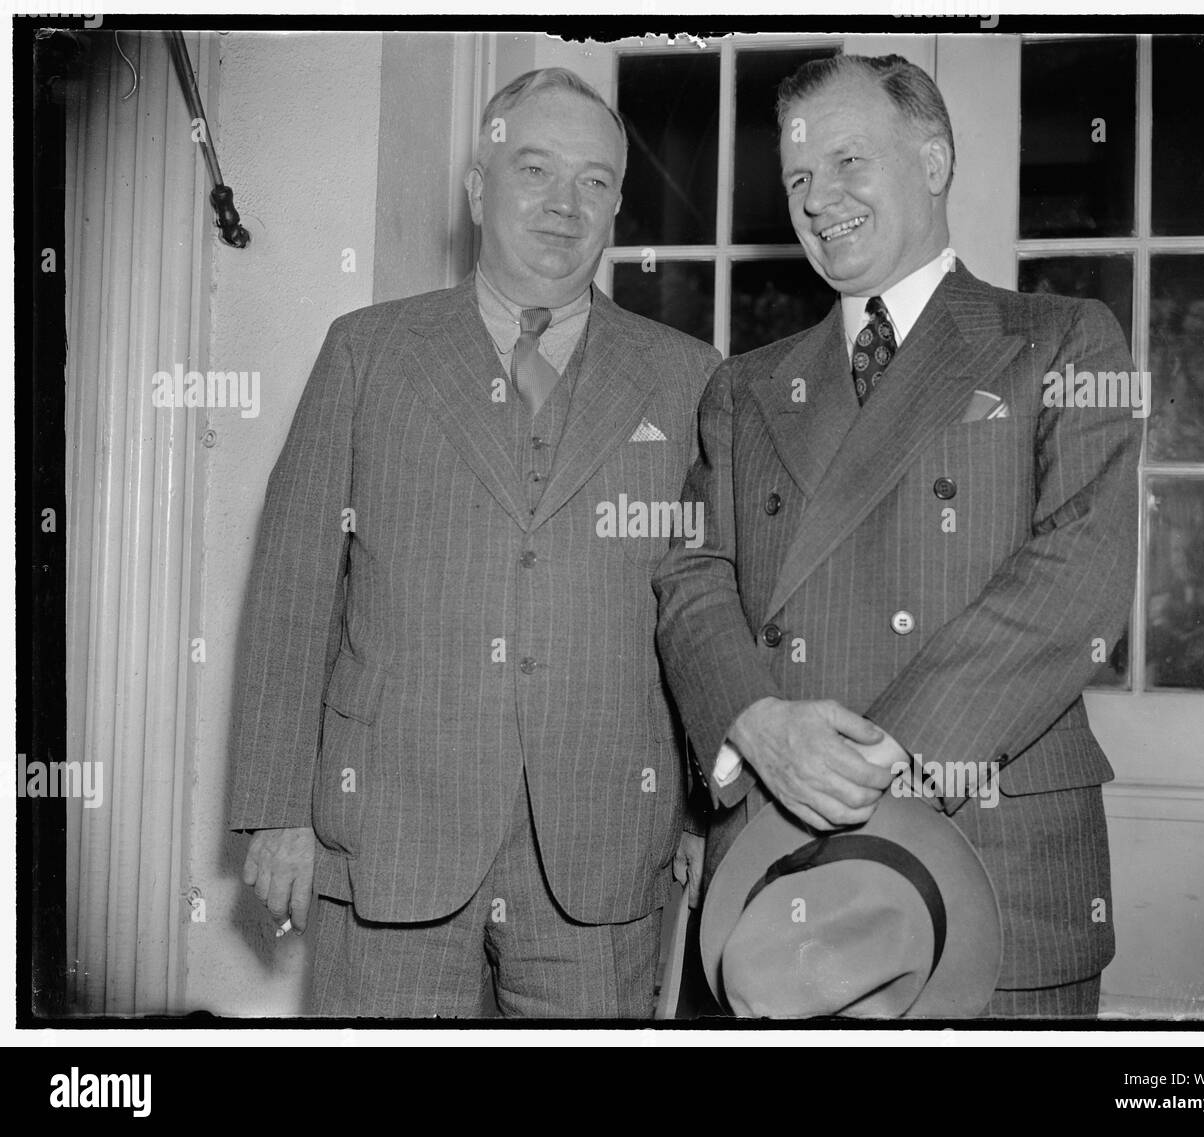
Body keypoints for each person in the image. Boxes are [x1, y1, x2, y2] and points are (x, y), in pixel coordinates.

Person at [653, 54, 1141, 1018]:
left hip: (995, 865)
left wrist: (872, 758)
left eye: (845, 160)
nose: (816, 198)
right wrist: (755, 723)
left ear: (933, 157)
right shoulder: (743, 386)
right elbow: (693, 574)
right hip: (777, 869)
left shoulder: (1063, 340)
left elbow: (1078, 576)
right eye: (796, 177)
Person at [230, 68, 718, 1018]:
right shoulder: (367, 353)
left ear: (618, 203)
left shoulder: (689, 378)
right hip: (389, 832)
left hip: (605, 851)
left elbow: (701, 613)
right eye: (534, 168)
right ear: (478, 186)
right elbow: (295, 589)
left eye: (594, 181)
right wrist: (277, 812)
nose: (564, 204)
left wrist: (702, 810)